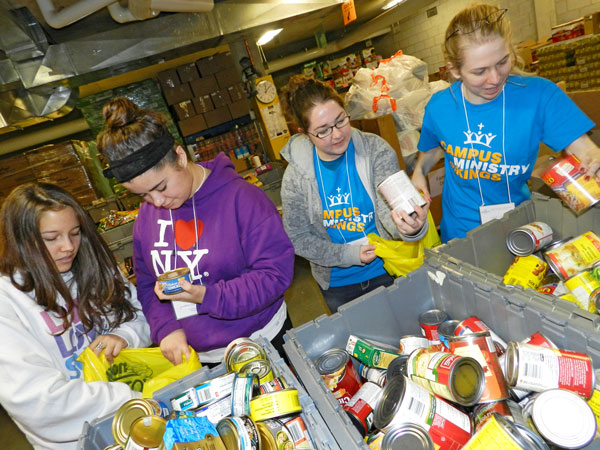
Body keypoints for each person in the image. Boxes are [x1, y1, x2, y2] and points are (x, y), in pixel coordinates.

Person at [97, 98, 295, 365]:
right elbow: (147, 283)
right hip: (197, 358)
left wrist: (206, 297)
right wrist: (166, 328)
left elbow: (273, 276)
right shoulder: (148, 215)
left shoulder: (242, 199)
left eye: (161, 186)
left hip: (260, 343)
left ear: (180, 156)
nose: (156, 202)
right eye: (143, 195)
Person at [412, 3, 600, 243]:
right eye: (480, 72)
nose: (495, 79)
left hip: (519, 227)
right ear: (455, 71)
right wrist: (419, 172)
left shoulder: (540, 96)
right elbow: (431, 149)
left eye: (502, 62)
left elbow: (585, 150)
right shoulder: (439, 106)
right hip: (460, 233)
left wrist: (594, 160)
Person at [0, 182, 151, 450]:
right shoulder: (8, 300)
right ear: (21, 240)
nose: (68, 247)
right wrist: (134, 398)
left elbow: (139, 314)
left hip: (140, 420)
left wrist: (124, 335)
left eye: (75, 233)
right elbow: (37, 400)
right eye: (51, 238)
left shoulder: (93, 267)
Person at [280, 75, 429, 313]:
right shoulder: (295, 177)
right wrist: (348, 254)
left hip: (388, 268)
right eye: (323, 131)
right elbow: (297, 237)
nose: (337, 134)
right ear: (304, 133)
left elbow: (395, 209)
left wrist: (412, 227)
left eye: (340, 121)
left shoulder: (375, 150)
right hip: (338, 287)